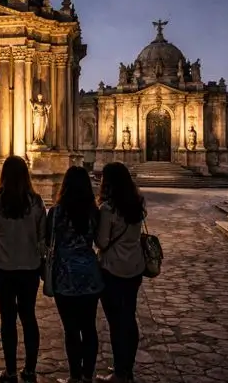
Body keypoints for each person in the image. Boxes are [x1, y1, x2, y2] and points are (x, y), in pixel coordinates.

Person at [0, 156, 46, 383]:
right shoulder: (37, 201)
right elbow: (43, 236)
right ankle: (30, 370)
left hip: (3, 267)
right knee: (29, 317)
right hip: (30, 267)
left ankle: (10, 371)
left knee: (7, 318)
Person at [48, 166, 105, 383]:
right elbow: (100, 242)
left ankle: (74, 376)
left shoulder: (56, 212)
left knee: (71, 329)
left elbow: (47, 240)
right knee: (89, 327)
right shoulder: (94, 212)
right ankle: (87, 376)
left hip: (64, 276)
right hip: (90, 275)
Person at [95, 162, 146, 383]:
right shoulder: (137, 204)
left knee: (116, 321)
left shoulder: (107, 209)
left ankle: (119, 372)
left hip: (112, 269)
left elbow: (103, 242)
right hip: (134, 268)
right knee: (130, 318)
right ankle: (128, 366)